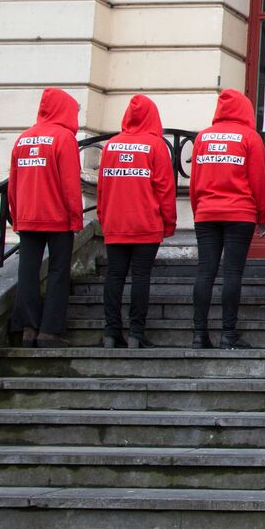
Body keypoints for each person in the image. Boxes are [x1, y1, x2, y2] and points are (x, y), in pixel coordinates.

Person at [189, 89, 265, 350]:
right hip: (239, 213)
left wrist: (197, 210)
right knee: (232, 273)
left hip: (206, 212)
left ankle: (199, 335)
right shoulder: (249, 137)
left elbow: (195, 181)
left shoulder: (202, 138)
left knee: (205, 272)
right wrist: (263, 215)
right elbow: (257, 181)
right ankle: (227, 334)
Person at [96, 95, 177, 349]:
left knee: (115, 276)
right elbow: (165, 188)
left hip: (115, 222)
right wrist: (169, 222)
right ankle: (136, 333)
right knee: (141, 277)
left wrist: (103, 217)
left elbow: (102, 188)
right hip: (145, 223)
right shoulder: (155, 145)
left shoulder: (111, 145)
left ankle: (111, 331)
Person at [7, 89, 84, 348]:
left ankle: (27, 328)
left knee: (27, 271)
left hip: (28, 216)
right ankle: (50, 330)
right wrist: (76, 218)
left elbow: (13, 184)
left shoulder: (23, 138)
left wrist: (16, 216)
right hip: (57, 217)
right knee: (58, 272)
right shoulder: (64, 138)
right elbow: (71, 184)